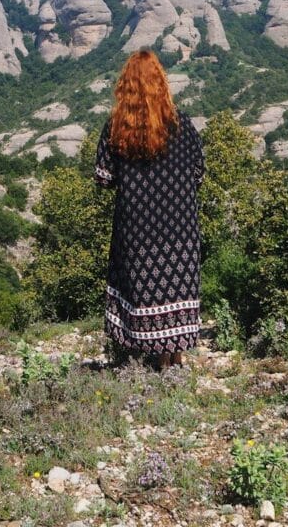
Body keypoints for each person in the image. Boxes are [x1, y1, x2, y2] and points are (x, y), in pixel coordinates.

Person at [94, 50, 205, 371]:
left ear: (125, 87)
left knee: (145, 289)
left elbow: (104, 178)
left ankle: (155, 359)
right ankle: (175, 359)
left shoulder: (115, 128)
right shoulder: (183, 125)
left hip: (137, 232)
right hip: (180, 229)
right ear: (162, 84)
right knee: (176, 288)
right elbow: (199, 174)